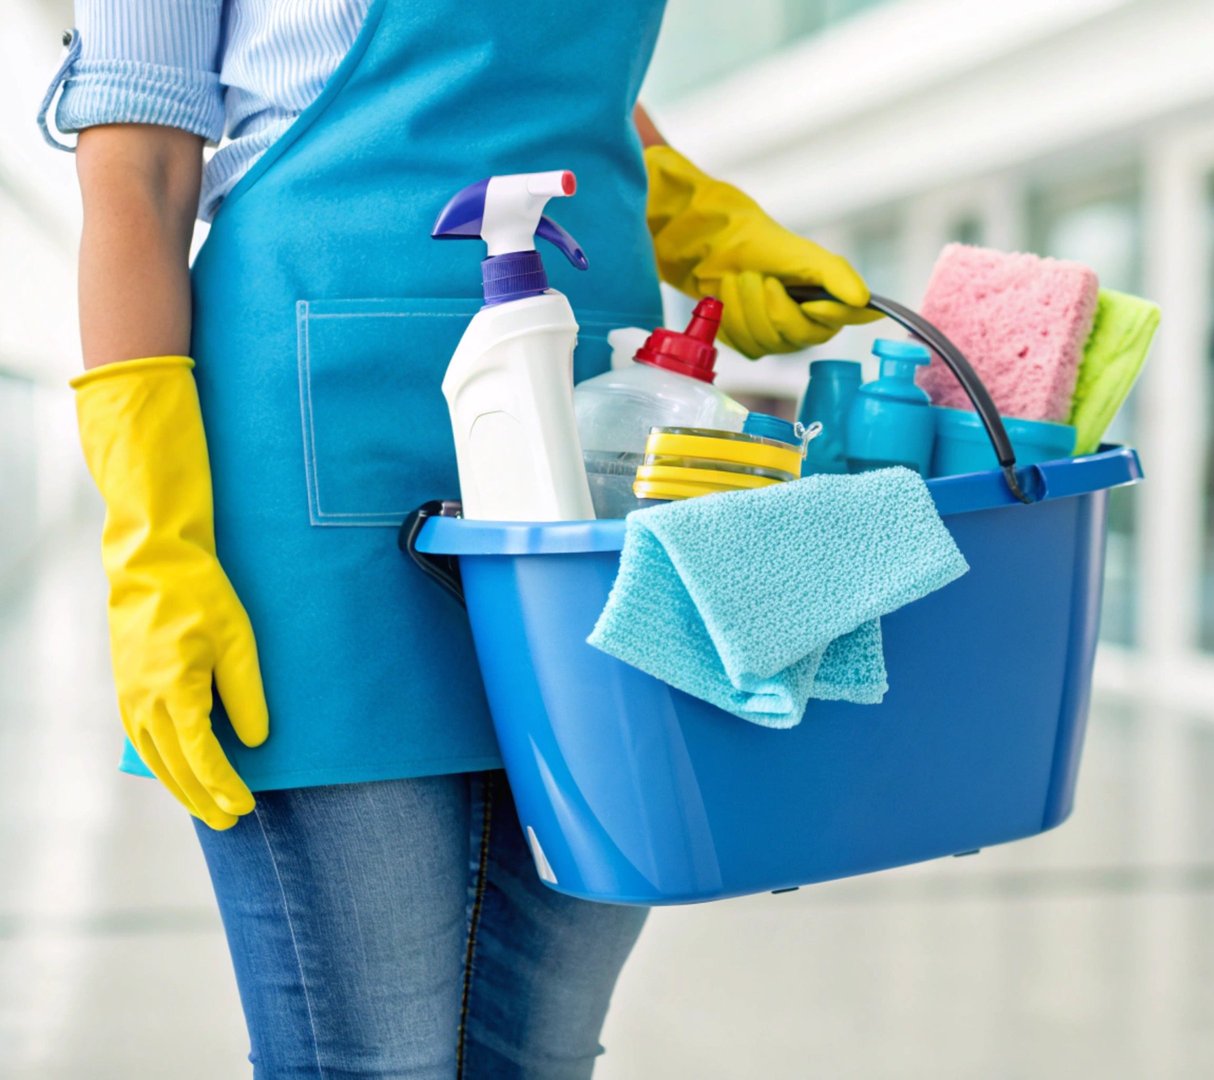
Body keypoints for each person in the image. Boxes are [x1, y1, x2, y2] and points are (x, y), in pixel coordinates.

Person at [38, 2, 876, 1074]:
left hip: (597, 435)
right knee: (373, 1056)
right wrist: (154, 547)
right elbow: (139, 179)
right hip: (313, 448)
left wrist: (695, 215)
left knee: (541, 1050)